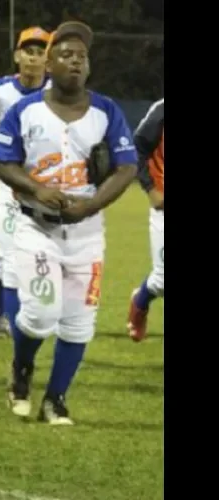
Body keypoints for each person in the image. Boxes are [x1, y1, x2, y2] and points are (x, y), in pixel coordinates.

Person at [0, 21, 138, 424]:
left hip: (87, 231)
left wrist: (90, 207)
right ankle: (21, 370)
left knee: (78, 324)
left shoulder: (107, 111)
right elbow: (0, 159)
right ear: (49, 63)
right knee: (39, 314)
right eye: (66, 54)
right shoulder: (25, 110)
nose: (75, 61)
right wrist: (36, 188)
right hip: (37, 226)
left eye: (82, 56)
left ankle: (55, 400)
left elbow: (126, 168)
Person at [0, 27, 51, 338]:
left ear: (48, 58)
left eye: (40, 51)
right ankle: (6, 318)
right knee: (8, 250)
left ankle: (37, 313)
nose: (33, 57)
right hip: (5, 181)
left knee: (41, 252)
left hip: (43, 183)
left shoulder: (58, 92)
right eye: (28, 50)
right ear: (18, 55)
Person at [127, 98, 164, 342]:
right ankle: (139, 302)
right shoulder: (161, 110)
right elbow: (137, 149)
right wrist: (150, 188)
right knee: (162, 280)